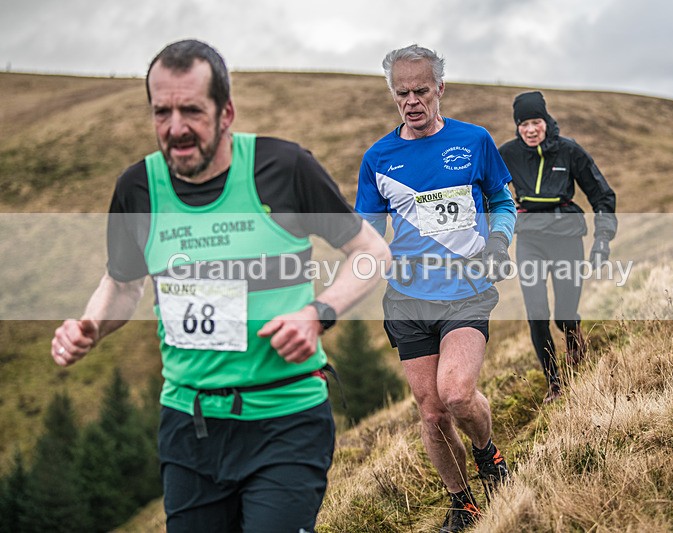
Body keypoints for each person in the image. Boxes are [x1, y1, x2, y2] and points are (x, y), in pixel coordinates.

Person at [50, 39, 390, 533]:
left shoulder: (284, 168)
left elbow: (372, 253)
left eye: (191, 110)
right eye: (161, 111)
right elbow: (122, 284)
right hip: (189, 429)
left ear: (226, 111)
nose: (175, 128)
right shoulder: (138, 189)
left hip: (286, 418)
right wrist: (91, 327)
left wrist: (318, 313)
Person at [355, 44, 517, 533]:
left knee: (456, 394)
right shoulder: (378, 158)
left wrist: (499, 242)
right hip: (407, 298)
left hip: (467, 288)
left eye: (421, 90)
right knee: (430, 412)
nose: (411, 101)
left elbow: (502, 201)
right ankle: (462, 502)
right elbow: (365, 231)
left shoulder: (475, 141)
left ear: (440, 88)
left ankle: (489, 457)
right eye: (401, 93)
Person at [499, 91, 617, 404]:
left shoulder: (569, 151)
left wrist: (602, 238)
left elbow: (602, 195)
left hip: (566, 237)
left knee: (564, 314)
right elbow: (485, 190)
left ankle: (572, 330)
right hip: (529, 240)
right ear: (518, 127)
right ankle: (555, 383)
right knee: (537, 313)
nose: (530, 129)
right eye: (523, 124)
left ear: (546, 121)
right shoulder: (507, 154)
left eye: (535, 121)